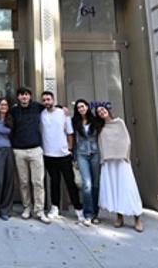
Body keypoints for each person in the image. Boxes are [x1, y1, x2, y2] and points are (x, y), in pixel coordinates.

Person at [96, 104, 144, 233]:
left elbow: (126, 140)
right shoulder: (101, 127)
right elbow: (101, 144)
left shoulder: (119, 122)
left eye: (103, 110)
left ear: (108, 110)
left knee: (128, 188)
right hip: (108, 161)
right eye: (99, 111)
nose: (101, 112)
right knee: (115, 189)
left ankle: (137, 217)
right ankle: (119, 216)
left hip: (121, 161)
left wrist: (125, 155)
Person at [40, 91, 84, 222]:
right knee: (54, 182)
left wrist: (70, 149)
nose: (46, 102)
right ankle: (55, 207)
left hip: (64, 154)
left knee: (70, 182)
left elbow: (70, 133)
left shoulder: (63, 114)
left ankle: (78, 209)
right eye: (44, 100)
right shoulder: (41, 114)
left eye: (48, 99)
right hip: (48, 154)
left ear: (53, 100)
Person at [10, 87, 50, 224]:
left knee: (38, 182)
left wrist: (62, 108)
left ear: (30, 96)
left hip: (35, 150)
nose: (24, 97)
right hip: (19, 151)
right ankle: (27, 207)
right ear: (18, 97)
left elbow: (50, 105)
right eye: (21, 95)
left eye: (26, 94)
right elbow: (1, 114)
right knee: (24, 182)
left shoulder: (37, 107)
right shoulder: (13, 110)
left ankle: (39, 210)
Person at [72, 98, 104, 226]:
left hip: (95, 154)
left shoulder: (96, 121)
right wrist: (73, 157)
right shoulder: (74, 122)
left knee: (96, 184)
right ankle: (88, 214)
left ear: (87, 107)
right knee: (87, 184)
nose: (81, 109)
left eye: (83, 106)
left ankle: (96, 213)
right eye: (79, 107)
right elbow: (73, 140)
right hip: (81, 155)